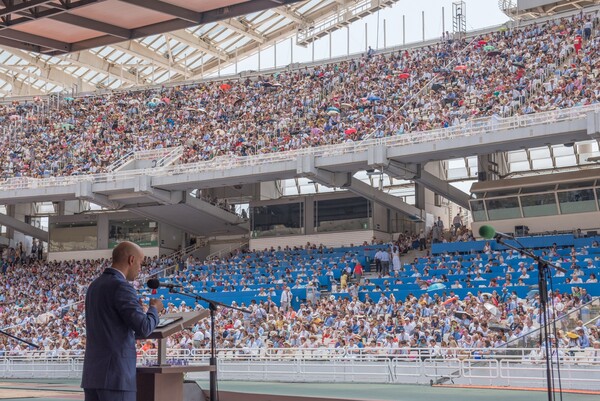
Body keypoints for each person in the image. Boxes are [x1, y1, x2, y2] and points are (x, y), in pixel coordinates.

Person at [81, 241, 164, 401]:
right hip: (116, 376)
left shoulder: (94, 286)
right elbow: (144, 328)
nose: (140, 269)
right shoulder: (122, 287)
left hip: (93, 375)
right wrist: (154, 309)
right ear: (131, 260)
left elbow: (110, 325)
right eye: (140, 263)